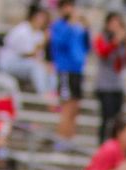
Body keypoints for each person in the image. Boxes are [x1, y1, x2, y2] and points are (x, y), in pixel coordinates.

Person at [50, 0, 90, 149]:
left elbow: (86, 47)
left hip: (77, 70)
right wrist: (71, 26)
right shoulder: (59, 26)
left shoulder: (79, 26)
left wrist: (86, 29)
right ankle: (61, 140)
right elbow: (59, 44)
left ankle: (70, 139)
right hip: (65, 69)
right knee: (66, 107)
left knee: (75, 107)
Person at [0, 4, 55, 98]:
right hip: (8, 62)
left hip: (24, 63)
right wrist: (44, 41)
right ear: (33, 17)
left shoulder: (39, 34)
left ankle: (52, 94)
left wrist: (46, 65)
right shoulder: (22, 29)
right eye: (41, 17)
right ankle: (44, 96)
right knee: (36, 68)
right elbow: (28, 54)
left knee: (51, 68)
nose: (43, 20)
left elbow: (37, 57)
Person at [93, 12, 126, 145]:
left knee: (117, 119)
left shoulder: (123, 42)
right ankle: (103, 145)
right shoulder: (102, 38)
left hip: (118, 85)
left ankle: (115, 145)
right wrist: (115, 41)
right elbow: (103, 52)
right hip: (105, 85)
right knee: (107, 118)